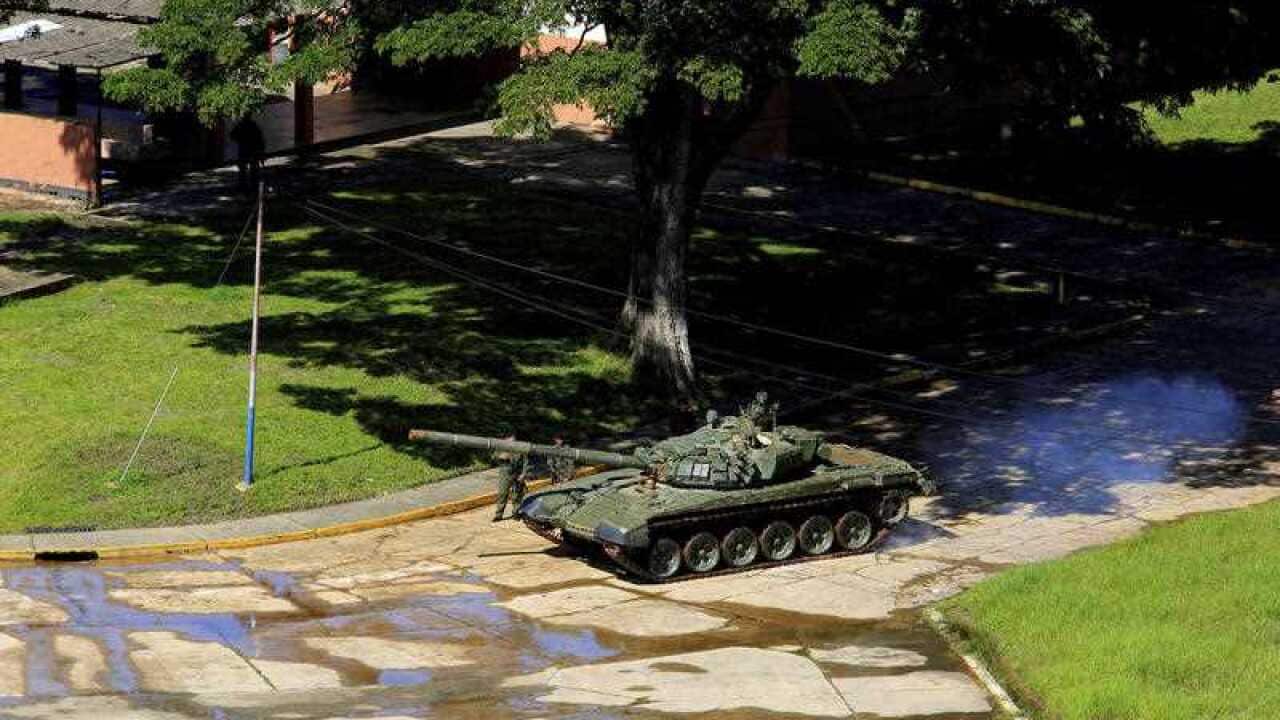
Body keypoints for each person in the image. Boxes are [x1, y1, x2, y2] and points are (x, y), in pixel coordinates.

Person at [492, 435, 530, 522]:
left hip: (517, 473)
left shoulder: (520, 448)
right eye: (509, 439)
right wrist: (500, 457)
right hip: (505, 473)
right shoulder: (501, 447)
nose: (512, 440)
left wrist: (523, 474)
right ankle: (499, 514)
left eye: (513, 439)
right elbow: (493, 458)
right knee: (502, 493)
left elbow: (525, 462)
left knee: (517, 495)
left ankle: (516, 513)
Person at [229, 117, 265, 195]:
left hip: (245, 149)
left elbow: (232, 135)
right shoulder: (253, 125)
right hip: (251, 149)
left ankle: (244, 186)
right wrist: (261, 151)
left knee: (244, 168)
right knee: (252, 168)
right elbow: (260, 138)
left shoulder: (241, 125)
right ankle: (252, 186)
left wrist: (240, 140)